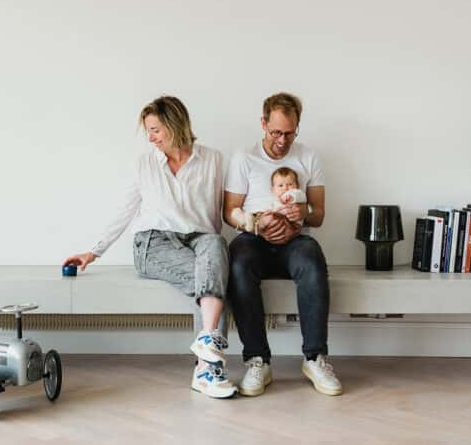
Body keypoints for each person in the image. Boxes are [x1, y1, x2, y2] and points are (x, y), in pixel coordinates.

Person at [63, 96, 236, 399]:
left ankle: (205, 354)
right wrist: (94, 251)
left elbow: (221, 214)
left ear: (174, 124)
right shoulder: (144, 163)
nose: (151, 138)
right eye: (149, 131)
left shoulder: (213, 159)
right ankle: (207, 367)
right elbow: (126, 209)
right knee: (214, 279)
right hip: (154, 243)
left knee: (215, 248)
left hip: (200, 241)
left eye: (156, 130)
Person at [223, 92, 342, 397]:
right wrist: (255, 223)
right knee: (237, 261)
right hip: (254, 238)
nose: (282, 140)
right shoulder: (244, 158)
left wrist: (303, 214)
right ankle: (257, 360)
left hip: (296, 240)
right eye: (276, 132)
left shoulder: (309, 157)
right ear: (263, 124)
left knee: (312, 258)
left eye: (290, 133)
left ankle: (315, 358)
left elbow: (319, 215)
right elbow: (229, 211)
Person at [230, 167, 307, 233]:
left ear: (297, 186)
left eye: (290, 184)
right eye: (280, 185)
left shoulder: (297, 193)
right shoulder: (275, 199)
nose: (285, 188)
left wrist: (291, 196)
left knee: (269, 218)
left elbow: (300, 196)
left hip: (291, 225)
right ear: (273, 189)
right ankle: (245, 219)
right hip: (273, 222)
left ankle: (249, 221)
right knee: (265, 216)